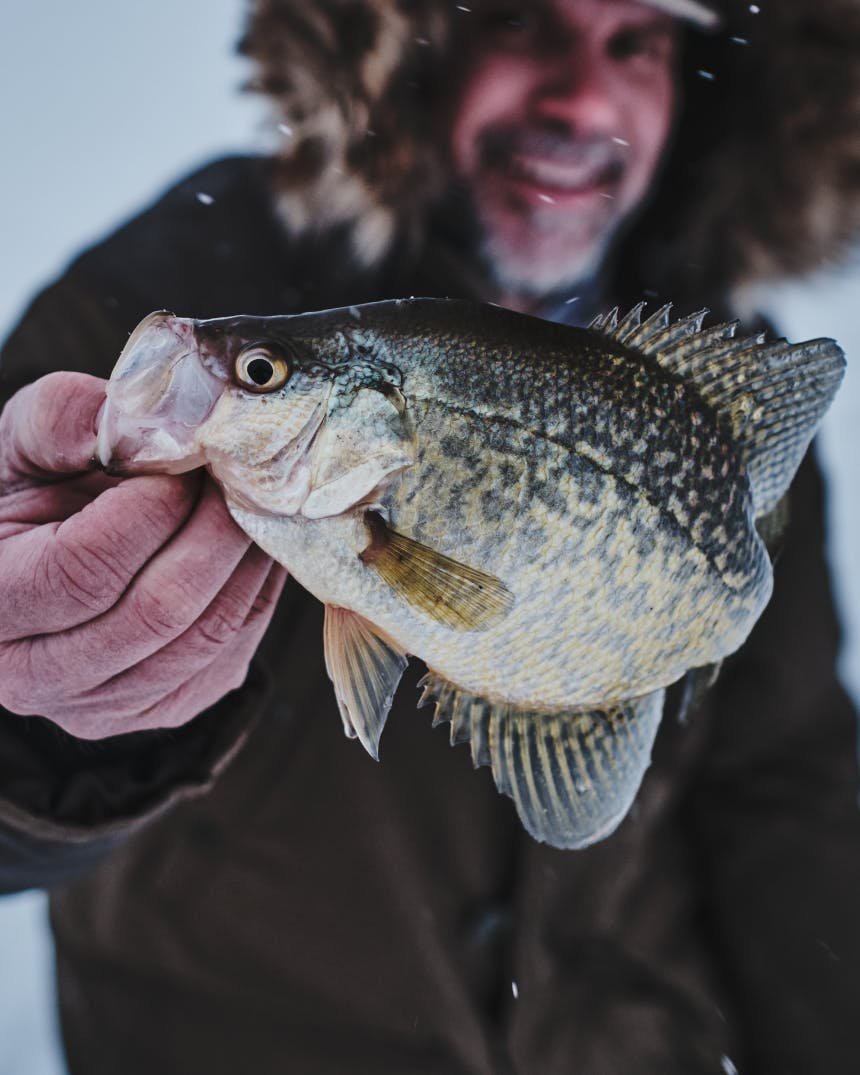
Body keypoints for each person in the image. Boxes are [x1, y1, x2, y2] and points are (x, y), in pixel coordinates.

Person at [1, 0, 859, 1071]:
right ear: (412, 41)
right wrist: (30, 723)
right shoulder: (185, 269)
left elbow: (782, 788)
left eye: (635, 38)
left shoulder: (708, 371)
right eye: (520, 19)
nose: (580, 97)